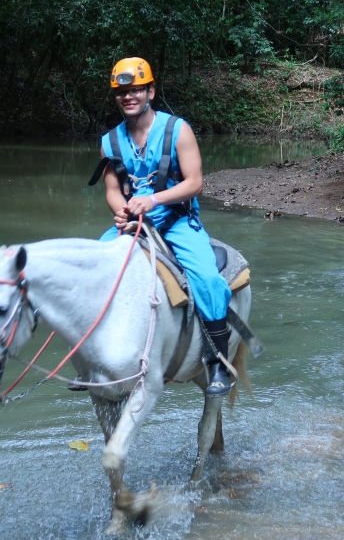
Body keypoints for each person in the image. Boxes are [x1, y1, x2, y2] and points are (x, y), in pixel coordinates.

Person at [90, 57, 235, 396]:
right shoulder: (109, 141)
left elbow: (195, 183)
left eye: (135, 90)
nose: (128, 97)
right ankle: (97, 358)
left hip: (178, 220)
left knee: (208, 279)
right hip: (134, 224)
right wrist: (122, 211)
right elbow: (113, 190)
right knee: (95, 268)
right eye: (121, 92)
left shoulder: (177, 130)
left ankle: (218, 363)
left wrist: (153, 201)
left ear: (150, 91)